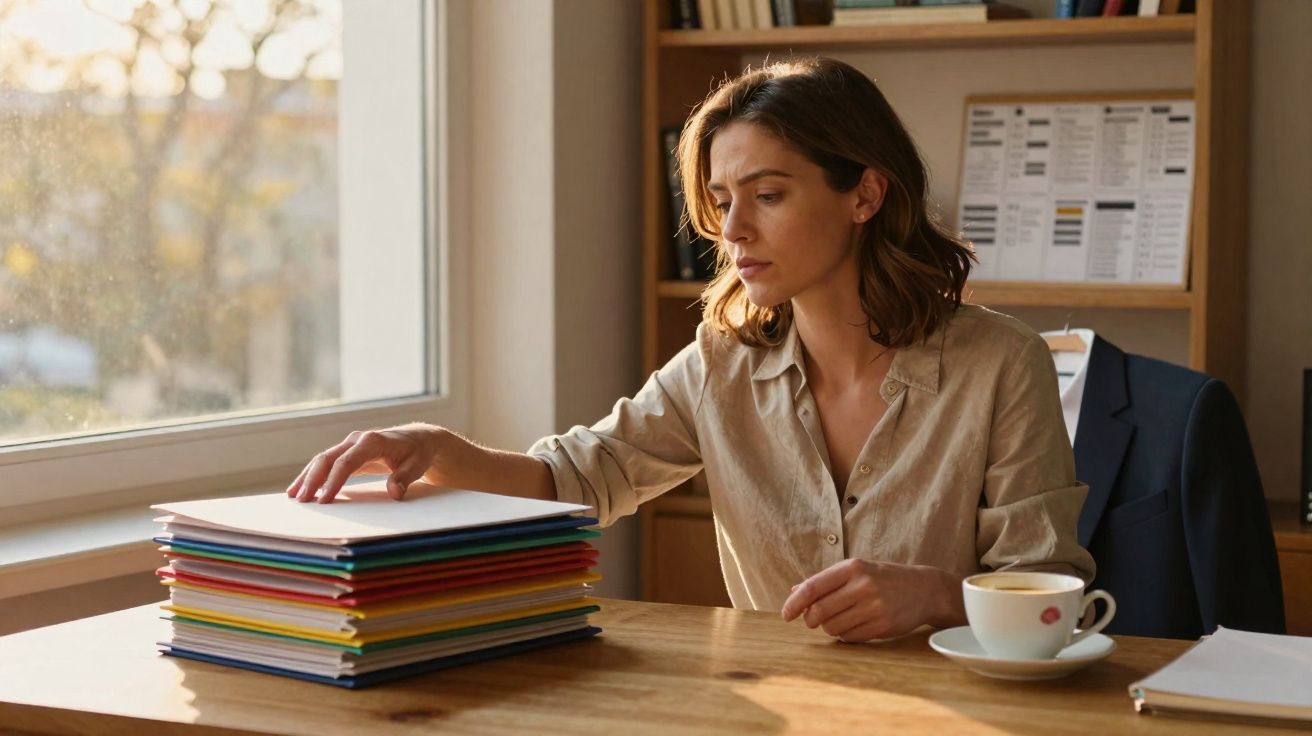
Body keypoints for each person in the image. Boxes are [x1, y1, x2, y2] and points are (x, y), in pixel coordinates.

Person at [287, 57, 1095, 643]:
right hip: (777, 706)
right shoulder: (720, 365)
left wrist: (938, 596)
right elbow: (574, 480)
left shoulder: (1003, 365)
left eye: (768, 196)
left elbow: (1051, 592)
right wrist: (439, 451)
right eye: (720, 202)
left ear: (866, 194)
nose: (734, 230)